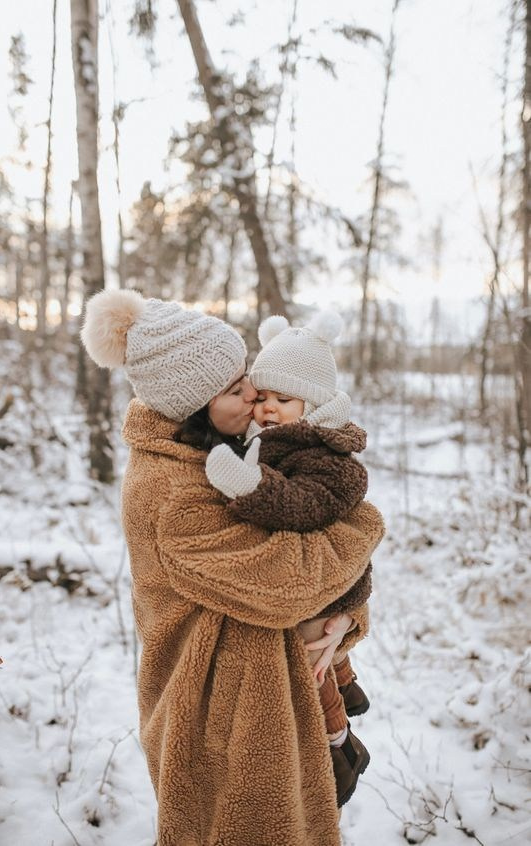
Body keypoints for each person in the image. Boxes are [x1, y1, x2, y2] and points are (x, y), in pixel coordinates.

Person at [81, 289, 384, 846]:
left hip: (263, 700)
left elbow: (304, 537)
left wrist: (345, 618)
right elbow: (289, 583)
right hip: (225, 724)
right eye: (234, 387)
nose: (253, 394)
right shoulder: (176, 494)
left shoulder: (222, 451)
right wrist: (365, 528)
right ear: (193, 404)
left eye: (247, 375)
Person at [205, 311, 373, 807]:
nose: (268, 410)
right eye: (265, 398)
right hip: (325, 580)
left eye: (284, 400)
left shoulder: (324, 453)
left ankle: (339, 746)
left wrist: (249, 486)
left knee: (309, 663)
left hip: (330, 586)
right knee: (325, 653)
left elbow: (305, 507)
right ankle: (349, 688)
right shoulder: (281, 441)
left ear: (313, 404)